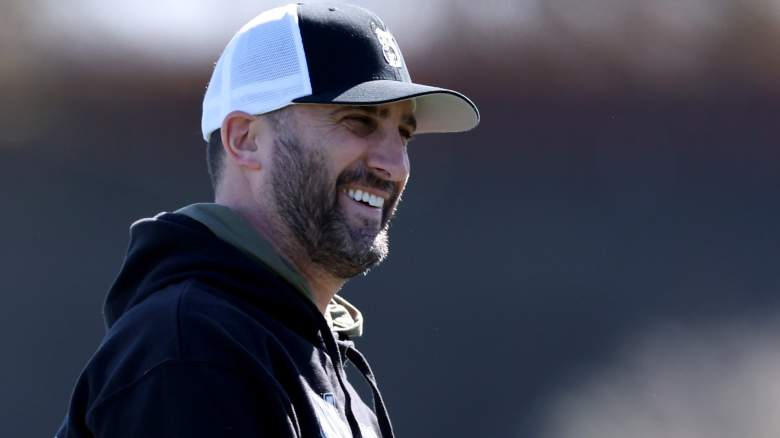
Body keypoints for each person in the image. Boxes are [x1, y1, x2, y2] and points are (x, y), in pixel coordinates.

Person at [55, 3, 479, 437]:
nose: (394, 164)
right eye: (358, 121)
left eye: (403, 135)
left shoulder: (313, 365)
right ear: (245, 139)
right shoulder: (193, 352)